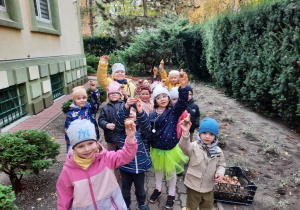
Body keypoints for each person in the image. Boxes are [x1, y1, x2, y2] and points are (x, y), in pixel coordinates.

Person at [56, 119, 138, 210]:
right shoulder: (68, 170)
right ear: (73, 149)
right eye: (80, 146)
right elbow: (63, 195)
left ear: (96, 142)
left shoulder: (106, 158)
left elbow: (125, 156)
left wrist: (130, 138)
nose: (87, 149)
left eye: (90, 143)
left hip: (111, 206)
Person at [148, 71, 189, 209]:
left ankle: (172, 194)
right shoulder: (152, 114)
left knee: (171, 174)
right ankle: (158, 189)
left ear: (169, 97)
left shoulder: (173, 112)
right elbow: (149, 131)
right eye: (159, 97)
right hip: (156, 149)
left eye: (165, 96)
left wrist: (183, 88)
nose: (163, 99)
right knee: (158, 172)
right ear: (155, 101)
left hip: (170, 150)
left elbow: (182, 103)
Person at [178, 117, 226, 210]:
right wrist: (185, 132)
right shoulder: (194, 146)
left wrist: (220, 173)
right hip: (193, 186)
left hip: (209, 187)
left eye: (211, 134)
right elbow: (184, 147)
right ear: (200, 134)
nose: (207, 136)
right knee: (191, 207)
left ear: (215, 136)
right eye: (204, 133)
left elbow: (222, 165)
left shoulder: (218, 151)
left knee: (207, 207)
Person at [115, 98, 152, 210]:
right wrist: (126, 106)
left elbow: (147, 127)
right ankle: (126, 206)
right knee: (125, 190)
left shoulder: (141, 129)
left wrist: (140, 111)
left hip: (140, 167)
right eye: (129, 111)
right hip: (125, 167)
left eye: (134, 111)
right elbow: (118, 121)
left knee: (140, 189)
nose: (131, 113)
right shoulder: (122, 129)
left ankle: (141, 203)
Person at [65, 81, 100, 152]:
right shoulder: (70, 113)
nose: (82, 100)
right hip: (79, 140)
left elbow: (96, 102)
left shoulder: (90, 108)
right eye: (78, 98)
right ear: (74, 100)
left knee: (94, 154)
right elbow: (68, 130)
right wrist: (70, 146)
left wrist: (94, 90)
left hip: (91, 138)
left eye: (84, 98)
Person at [98, 81, 125, 151]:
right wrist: (106, 125)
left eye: (116, 93)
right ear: (108, 95)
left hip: (123, 135)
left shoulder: (124, 105)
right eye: (111, 93)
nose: (114, 95)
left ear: (120, 95)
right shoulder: (105, 108)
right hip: (110, 136)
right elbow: (101, 120)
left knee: (123, 154)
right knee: (111, 154)